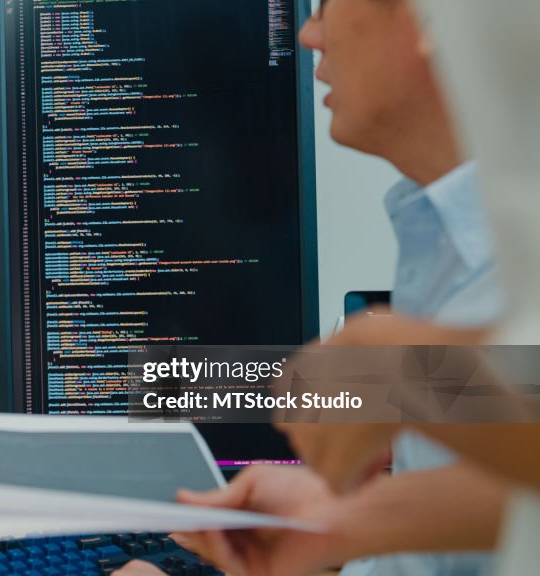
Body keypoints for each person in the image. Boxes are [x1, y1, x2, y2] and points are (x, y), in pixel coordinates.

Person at [114, 0, 512, 574]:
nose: (307, 34)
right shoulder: (437, 237)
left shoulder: (493, 259)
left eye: (327, 6)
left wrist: (408, 370)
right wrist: (342, 524)